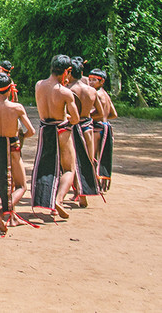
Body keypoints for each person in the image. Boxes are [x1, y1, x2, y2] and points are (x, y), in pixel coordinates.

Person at [0, 72, 35, 233]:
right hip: (13, 146)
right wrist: (21, 137)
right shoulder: (16, 108)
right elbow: (31, 131)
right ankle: (2, 211)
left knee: (4, 181)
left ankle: (12, 217)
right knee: (21, 186)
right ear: (9, 90)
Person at [32, 55, 79, 219]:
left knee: (50, 167)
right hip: (61, 130)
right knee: (68, 169)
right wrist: (67, 121)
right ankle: (59, 200)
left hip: (46, 129)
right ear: (67, 71)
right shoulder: (65, 92)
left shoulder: (39, 85)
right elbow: (76, 118)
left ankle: (50, 200)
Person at [66, 57, 102, 205]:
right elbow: (100, 113)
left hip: (73, 127)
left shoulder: (68, 91)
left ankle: (77, 192)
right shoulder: (91, 91)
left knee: (73, 161)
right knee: (88, 159)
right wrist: (87, 116)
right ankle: (84, 193)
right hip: (88, 126)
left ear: (69, 73)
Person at [89, 68, 117, 191]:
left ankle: (94, 183)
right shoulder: (105, 94)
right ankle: (102, 181)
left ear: (102, 81)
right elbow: (114, 114)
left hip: (97, 128)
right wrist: (104, 118)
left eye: (94, 80)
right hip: (106, 126)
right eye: (89, 80)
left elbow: (98, 113)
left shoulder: (96, 94)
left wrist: (88, 116)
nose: (91, 83)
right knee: (103, 156)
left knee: (93, 156)